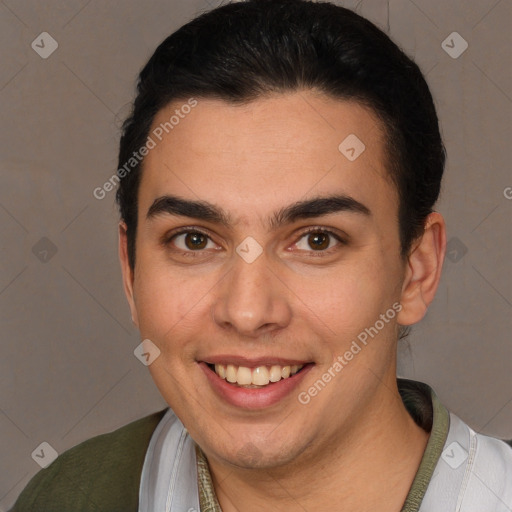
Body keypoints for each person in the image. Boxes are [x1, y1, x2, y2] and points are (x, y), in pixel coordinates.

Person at [11, 0, 512, 510]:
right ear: (129, 268)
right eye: (194, 240)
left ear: (416, 270)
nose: (248, 312)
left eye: (318, 240)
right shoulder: (69, 497)